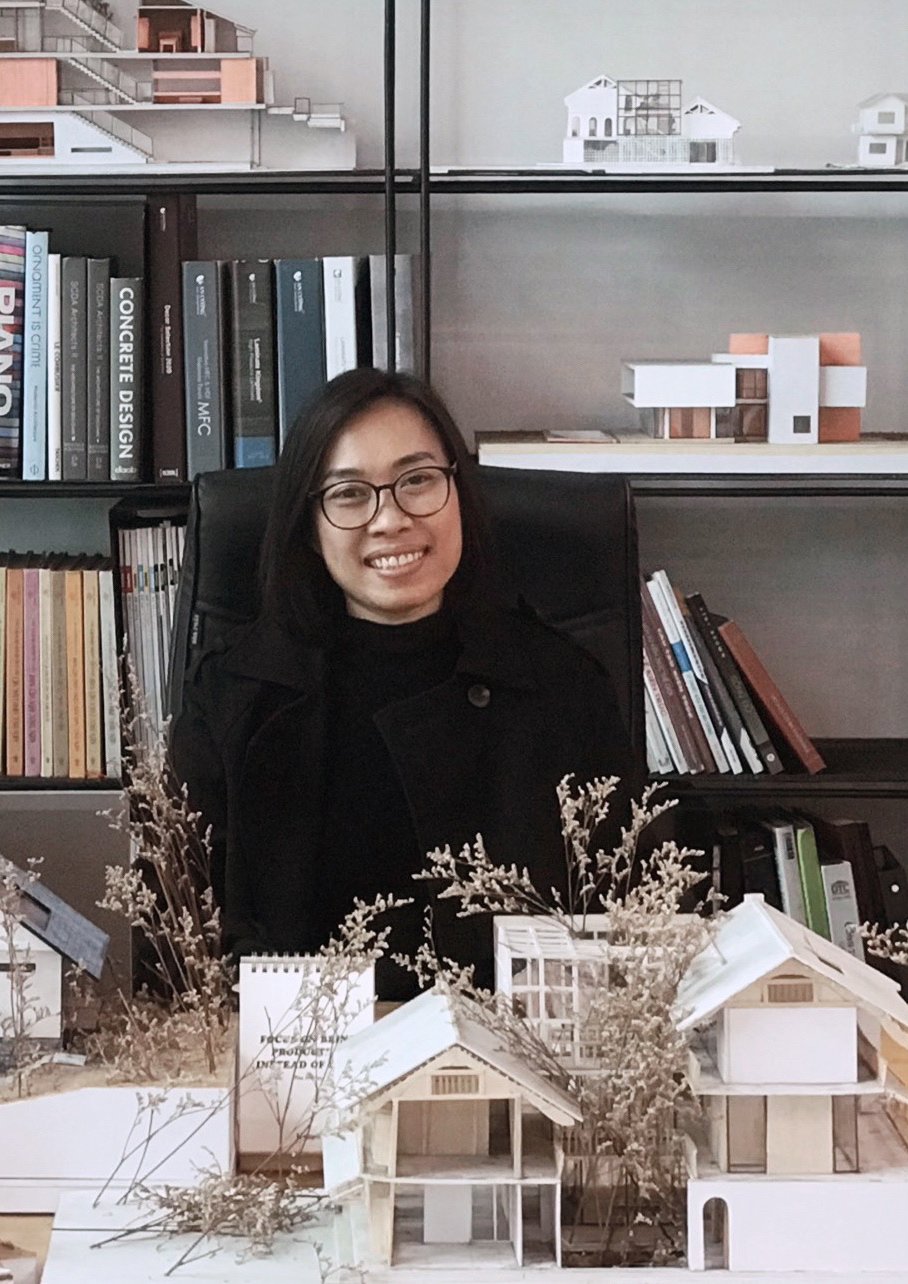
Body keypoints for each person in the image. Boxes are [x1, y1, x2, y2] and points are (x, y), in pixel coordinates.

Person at [170, 368, 639, 997]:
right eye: (349, 494)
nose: (389, 519)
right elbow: (177, 956)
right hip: (296, 1055)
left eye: (417, 480)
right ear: (310, 525)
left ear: (458, 491)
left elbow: (623, 934)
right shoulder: (233, 698)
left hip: (512, 1050)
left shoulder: (562, 688)